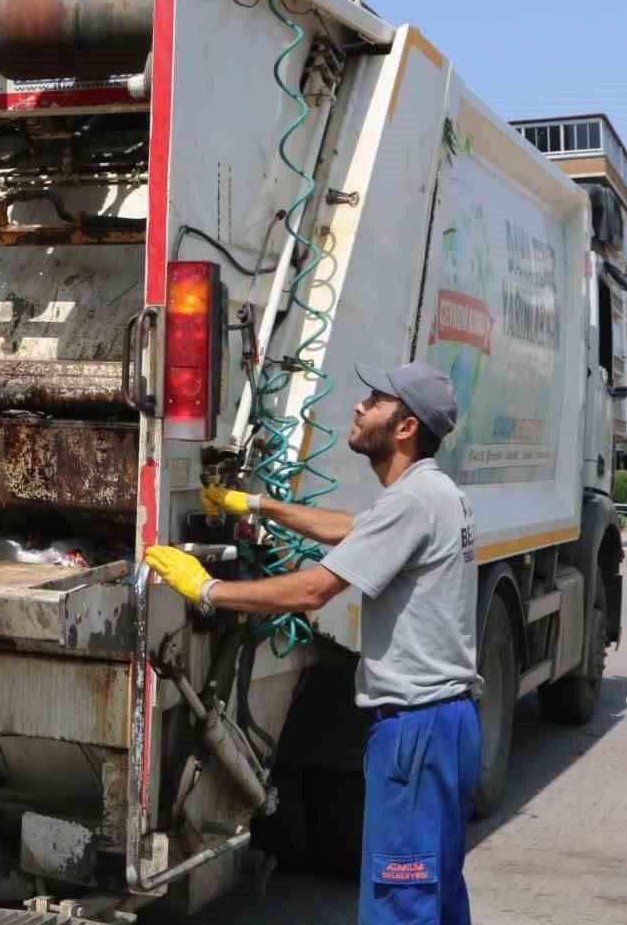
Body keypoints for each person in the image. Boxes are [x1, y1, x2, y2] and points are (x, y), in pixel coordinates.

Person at [144, 361, 481, 925]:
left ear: (404, 427)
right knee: (437, 890)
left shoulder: (412, 502)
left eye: (374, 400)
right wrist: (258, 506)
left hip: (415, 732)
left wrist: (207, 588)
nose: (357, 406)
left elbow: (314, 589)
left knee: (401, 901)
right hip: (448, 724)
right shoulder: (434, 493)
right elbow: (351, 529)